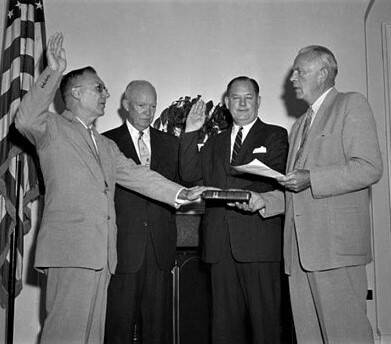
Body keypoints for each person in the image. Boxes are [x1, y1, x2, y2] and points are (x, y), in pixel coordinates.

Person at [15, 33, 205, 344]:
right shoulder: (52, 128)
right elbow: (24, 119)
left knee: (92, 336)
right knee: (64, 334)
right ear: (75, 93)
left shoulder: (104, 144)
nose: (106, 93)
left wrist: (180, 194)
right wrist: (54, 72)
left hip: (102, 255)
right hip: (71, 252)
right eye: (99, 88)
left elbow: (138, 176)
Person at [235, 46, 383, 343]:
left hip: (335, 251)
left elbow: (369, 168)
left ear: (324, 73)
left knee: (347, 336)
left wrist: (312, 178)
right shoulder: (299, 125)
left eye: (299, 71)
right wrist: (265, 200)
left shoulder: (351, 104)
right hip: (300, 253)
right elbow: (294, 188)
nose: (292, 78)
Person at [180, 76, 288, 344]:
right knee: (224, 328)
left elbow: (277, 179)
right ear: (226, 103)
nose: (242, 103)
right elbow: (190, 174)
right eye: (236, 98)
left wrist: (252, 195)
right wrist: (192, 131)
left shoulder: (275, 135)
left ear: (258, 101)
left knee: (266, 327)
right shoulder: (215, 141)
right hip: (220, 246)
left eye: (248, 97)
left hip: (259, 244)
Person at [103, 80, 179, 343]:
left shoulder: (171, 144)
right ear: (125, 105)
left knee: (159, 331)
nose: (148, 112)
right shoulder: (106, 143)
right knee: (117, 327)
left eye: (153, 106)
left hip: (160, 251)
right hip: (123, 249)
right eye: (141, 105)